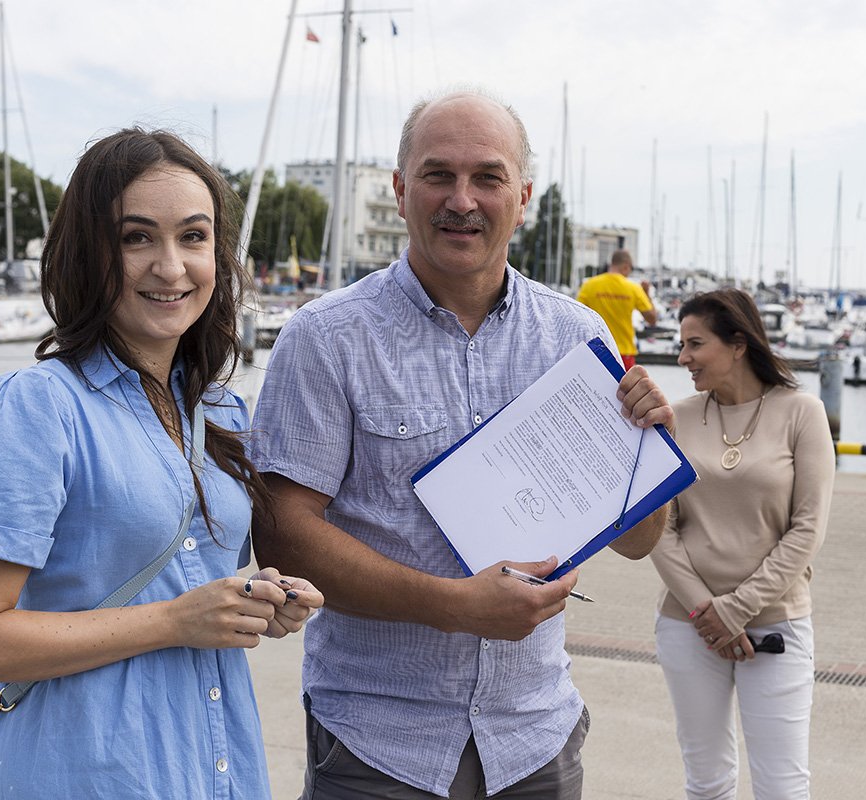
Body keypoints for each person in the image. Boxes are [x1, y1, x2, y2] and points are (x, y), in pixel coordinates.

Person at [251, 89, 676, 799]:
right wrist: (455, 605)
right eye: (437, 174)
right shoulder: (324, 339)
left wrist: (652, 446)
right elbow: (283, 536)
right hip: (378, 745)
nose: (462, 199)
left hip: (535, 737)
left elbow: (638, 540)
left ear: (525, 196)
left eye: (487, 177)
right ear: (399, 189)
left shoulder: (578, 339)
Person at [0, 128, 324, 799]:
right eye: (136, 237)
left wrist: (262, 598)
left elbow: (192, 580)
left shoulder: (221, 411)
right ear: (91, 255)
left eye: (194, 237)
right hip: (87, 774)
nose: (171, 267)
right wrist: (175, 620)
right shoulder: (38, 408)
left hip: (215, 769)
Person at [650, 287, 835, 799]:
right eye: (681, 345)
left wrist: (737, 610)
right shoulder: (677, 418)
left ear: (737, 344)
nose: (682, 357)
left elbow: (807, 528)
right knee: (706, 783)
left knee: (782, 786)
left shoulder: (802, 413)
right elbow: (660, 527)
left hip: (776, 627)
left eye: (694, 344)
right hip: (689, 625)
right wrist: (706, 611)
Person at [576, 248, 656, 371]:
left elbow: (576, 317)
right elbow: (652, 319)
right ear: (625, 267)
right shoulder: (633, 288)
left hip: (595, 351)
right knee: (624, 390)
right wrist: (646, 293)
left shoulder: (589, 285)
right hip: (623, 353)